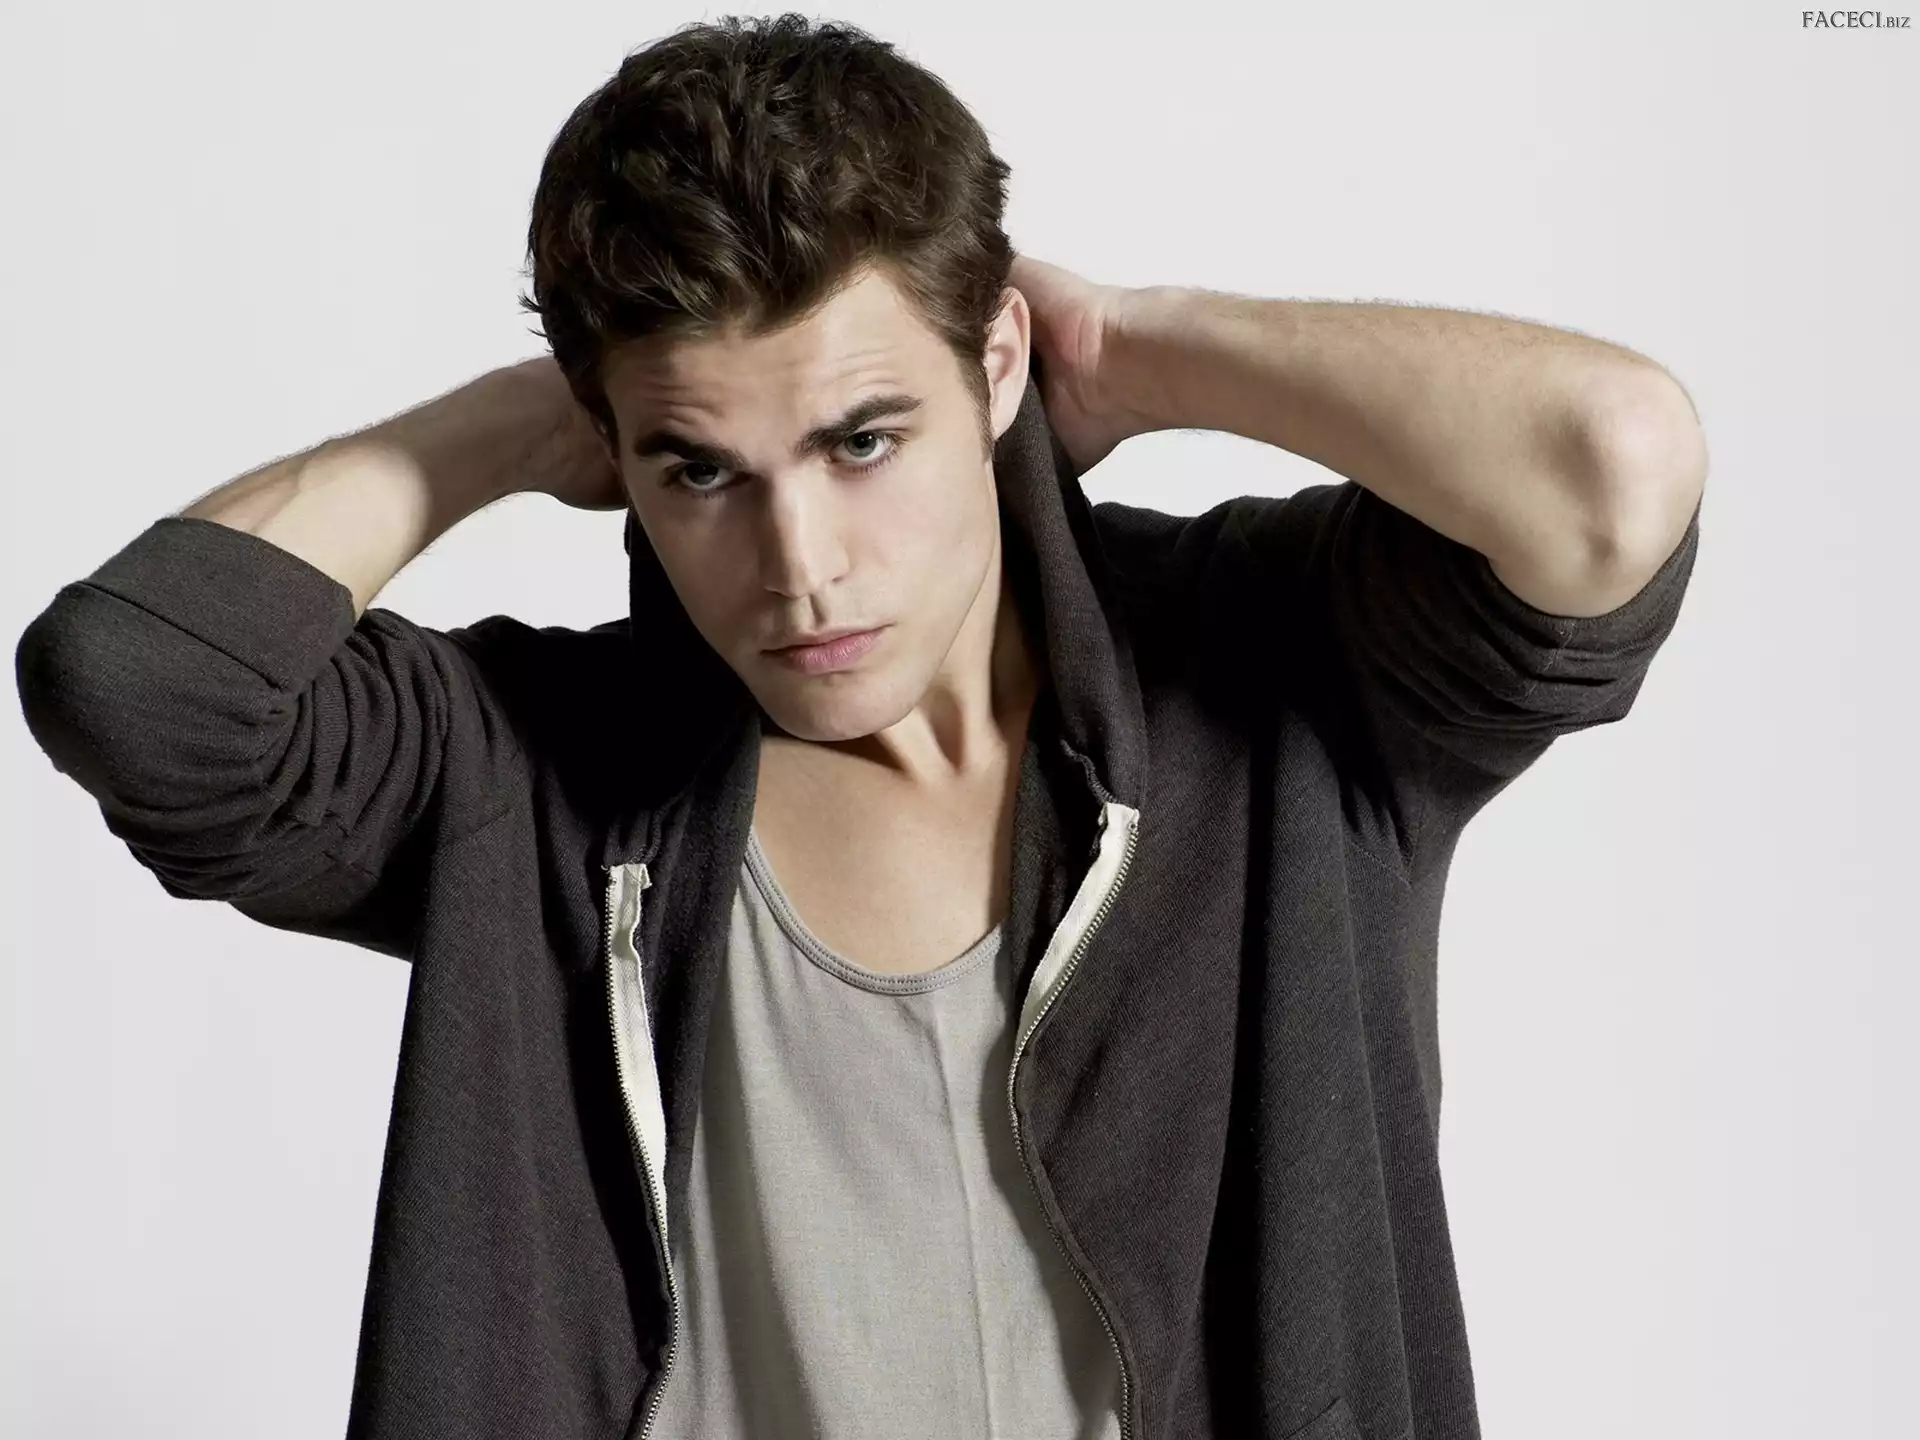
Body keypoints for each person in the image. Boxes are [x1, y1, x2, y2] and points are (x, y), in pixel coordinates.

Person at [13, 13, 1706, 1440]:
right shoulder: (533, 775)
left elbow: (1612, 470)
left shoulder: (1274, 677)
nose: (800, 567)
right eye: (700, 469)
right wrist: (519, 423)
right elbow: (140, 686)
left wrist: (1131, 349)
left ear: (994, 365)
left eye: (862, 439)